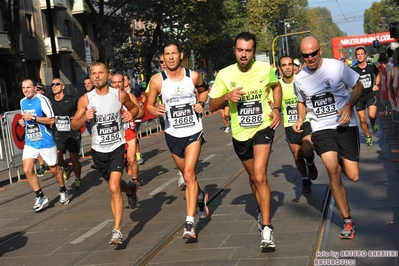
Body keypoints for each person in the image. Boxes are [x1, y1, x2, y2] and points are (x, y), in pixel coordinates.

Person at [208, 32, 282, 249]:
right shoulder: (224, 74)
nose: (244, 54)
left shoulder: (264, 69)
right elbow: (211, 106)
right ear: (234, 50)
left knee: (260, 175)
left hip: (262, 128)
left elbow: (276, 85)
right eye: (240, 50)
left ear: (253, 52)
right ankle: (261, 208)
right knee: (252, 176)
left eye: (248, 50)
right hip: (240, 134)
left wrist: (276, 108)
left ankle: (267, 229)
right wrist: (226, 97)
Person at [293, 36, 364, 239]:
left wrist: (349, 106)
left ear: (320, 51)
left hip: (344, 124)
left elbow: (358, 86)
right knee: (332, 169)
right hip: (321, 128)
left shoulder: (337, 67)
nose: (310, 58)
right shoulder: (300, 79)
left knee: (353, 175)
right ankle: (347, 221)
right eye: (306, 55)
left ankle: (342, 156)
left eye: (313, 53)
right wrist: (300, 118)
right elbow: (301, 101)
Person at [147, 40, 210, 239]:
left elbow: (205, 90)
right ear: (163, 58)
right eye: (167, 54)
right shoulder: (157, 80)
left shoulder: (193, 76)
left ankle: (189, 223)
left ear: (181, 55)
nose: (171, 57)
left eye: (174, 53)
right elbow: (148, 105)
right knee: (186, 173)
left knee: (189, 174)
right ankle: (200, 196)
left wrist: (201, 102)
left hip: (193, 130)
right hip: (172, 133)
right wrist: (155, 110)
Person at [71, 62, 139, 245]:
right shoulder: (85, 99)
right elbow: (74, 124)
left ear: (108, 75)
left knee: (113, 188)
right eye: (94, 73)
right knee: (116, 187)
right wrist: (85, 118)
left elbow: (135, 108)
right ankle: (131, 190)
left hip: (117, 146)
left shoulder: (118, 94)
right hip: (98, 151)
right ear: (91, 76)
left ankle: (117, 230)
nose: (97, 76)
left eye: (101, 73)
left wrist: (130, 114)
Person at [19, 78, 70, 212]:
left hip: (46, 141)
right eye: (23, 88)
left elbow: (52, 120)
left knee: (54, 169)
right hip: (30, 141)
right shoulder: (22, 102)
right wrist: (23, 122)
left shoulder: (42, 100)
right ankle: (40, 195)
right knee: (27, 169)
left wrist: (34, 118)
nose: (26, 90)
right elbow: (26, 118)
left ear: (35, 88)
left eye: (28, 87)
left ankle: (63, 190)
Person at [279, 56, 318, 193]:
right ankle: (305, 179)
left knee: (307, 149)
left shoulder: (301, 80)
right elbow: (274, 103)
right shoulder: (278, 86)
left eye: (290, 64)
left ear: (294, 67)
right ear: (280, 69)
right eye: (284, 65)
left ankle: (311, 163)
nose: (288, 67)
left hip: (305, 121)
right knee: (296, 155)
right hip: (289, 124)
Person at [111, 73, 144, 189]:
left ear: (123, 83)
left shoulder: (130, 96)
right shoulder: (107, 98)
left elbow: (141, 113)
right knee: (120, 161)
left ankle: (135, 181)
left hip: (129, 130)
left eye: (118, 82)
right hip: (115, 133)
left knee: (131, 158)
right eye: (113, 82)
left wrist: (132, 114)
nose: (116, 85)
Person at [50, 78, 82, 189]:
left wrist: (76, 118)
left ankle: (78, 179)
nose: (54, 86)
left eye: (57, 84)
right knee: (57, 158)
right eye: (52, 84)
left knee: (74, 158)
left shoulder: (72, 99)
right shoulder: (50, 102)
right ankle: (67, 168)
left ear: (63, 86)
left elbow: (80, 113)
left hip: (72, 133)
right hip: (59, 133)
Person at [351, 47, 381, 146]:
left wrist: (376, 85)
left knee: (372, 115)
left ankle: (373, 122)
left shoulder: (371, 66)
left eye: (361, 54)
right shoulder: (353, 69)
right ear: (356, 56)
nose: (360, 56)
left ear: (365, 55)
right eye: (358, 54)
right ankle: (368, 136)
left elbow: (378, 74)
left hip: (370, 94)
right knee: (362, 120)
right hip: (359, 98)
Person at [124, 74, 145, 165]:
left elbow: (143, 96)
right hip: (125, 119)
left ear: (128, 81)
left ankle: (137, 154)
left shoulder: (134, 91)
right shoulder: (119, 94)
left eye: (125, 80)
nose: (124, 82)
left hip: (135, 117)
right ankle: (129, 155)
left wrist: (140, 103)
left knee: (134, 136)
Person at [34, 82, 50, 176]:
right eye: (35, 89)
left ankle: (63, 165)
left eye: (38, 89)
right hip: (36, 129)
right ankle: (42, 165)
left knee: (53, 154)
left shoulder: (45, 100)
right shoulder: (31, 101)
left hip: (46, 128)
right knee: (37, 146)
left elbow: (50, 117)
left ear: (43, 91)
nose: (36, 91)